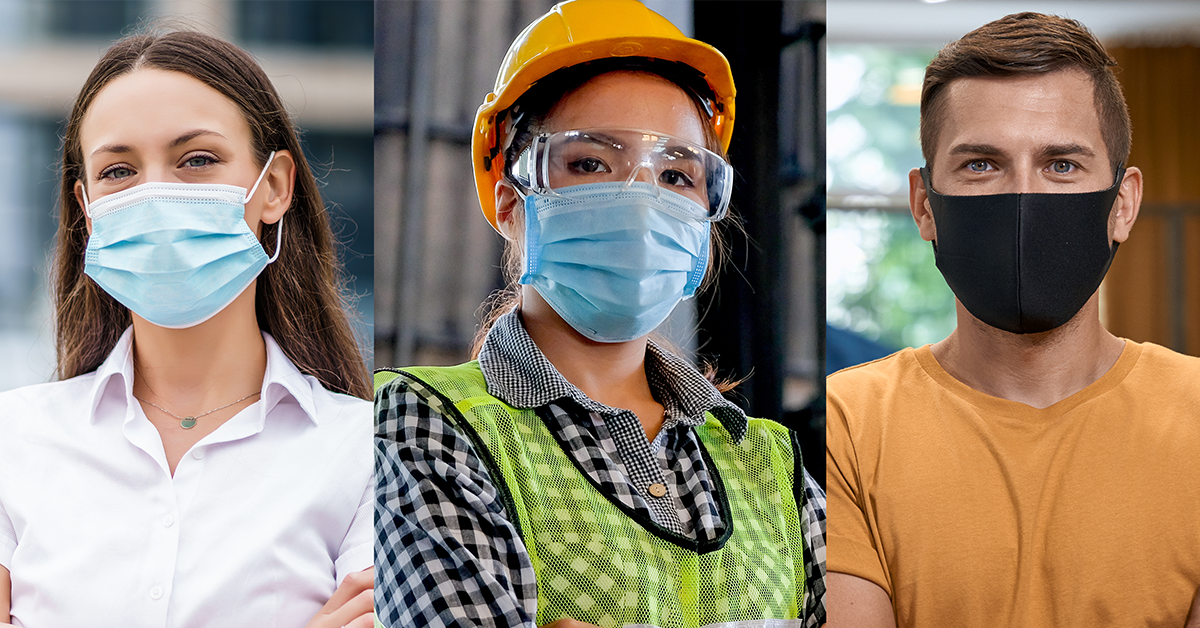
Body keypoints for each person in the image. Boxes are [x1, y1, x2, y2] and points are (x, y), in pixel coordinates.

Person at [374, 1, 826, 627]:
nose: (641, 200)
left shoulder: (772, 465)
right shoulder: (422, 422)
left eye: (676, 176)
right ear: (512, 203)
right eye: (590, 163)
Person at [826, 12, 1200, 628]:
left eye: (1061, 165)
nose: (1023, 197)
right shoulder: (842, 425)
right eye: (981, 164)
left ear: (1122, 205)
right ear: (925, 207)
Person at [0, 29, 374, 627]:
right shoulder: (11, 440)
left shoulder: (370, 453)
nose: (154, 193)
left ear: (273, 187)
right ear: (87, 208)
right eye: (118, 171)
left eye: (197, 160)